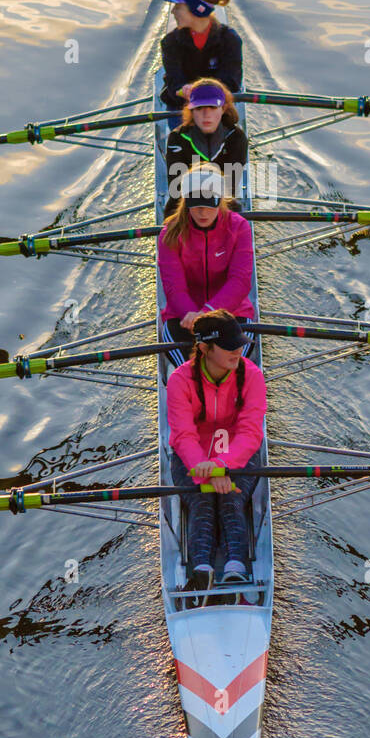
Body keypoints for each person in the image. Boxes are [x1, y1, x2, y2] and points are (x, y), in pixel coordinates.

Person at [166, 310, 267, 605]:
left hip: (238, 455)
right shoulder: (180, 381)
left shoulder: (252, 376)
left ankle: (233, 569)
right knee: (202, 499)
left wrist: (223, 466)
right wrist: (207, 471)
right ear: (204, 348)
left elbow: (250, 433)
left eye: (240, 344)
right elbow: (183, 437)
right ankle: (203, 570)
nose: (238, 351)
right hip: (192, 459)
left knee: (231, 497)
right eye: (229, 346)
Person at [158, 163, 255, 364]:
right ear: (186, 201)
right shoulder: (169, 235)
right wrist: (196, 318)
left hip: (232, 313)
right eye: (196, 203)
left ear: (220, 200)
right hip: (185, 317)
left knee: (231, 369)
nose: (203, 212)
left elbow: (240, 282)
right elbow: (174, 289)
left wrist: (207, 313)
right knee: (189, 371)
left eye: (209, 203)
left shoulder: (239, 227)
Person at [159, 0, 242, 110]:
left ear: (196, 10)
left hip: (217, 106)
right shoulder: (170, 42)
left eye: (178, 7)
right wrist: (183, 89)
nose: (173, 11)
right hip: (181, 107)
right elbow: (174, 83)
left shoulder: (230, 40)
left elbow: (231, 83)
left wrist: (200, 90)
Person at [164, 78, 248, 212]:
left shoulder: (236, 137)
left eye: (213, 107)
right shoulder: (177, 138)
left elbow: (228, 187)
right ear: (191, 111)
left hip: (222, 204)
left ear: (224, 108)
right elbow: (177, 188)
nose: (206, 115)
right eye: (199, 108)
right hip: (184, 206)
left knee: (233, 206)